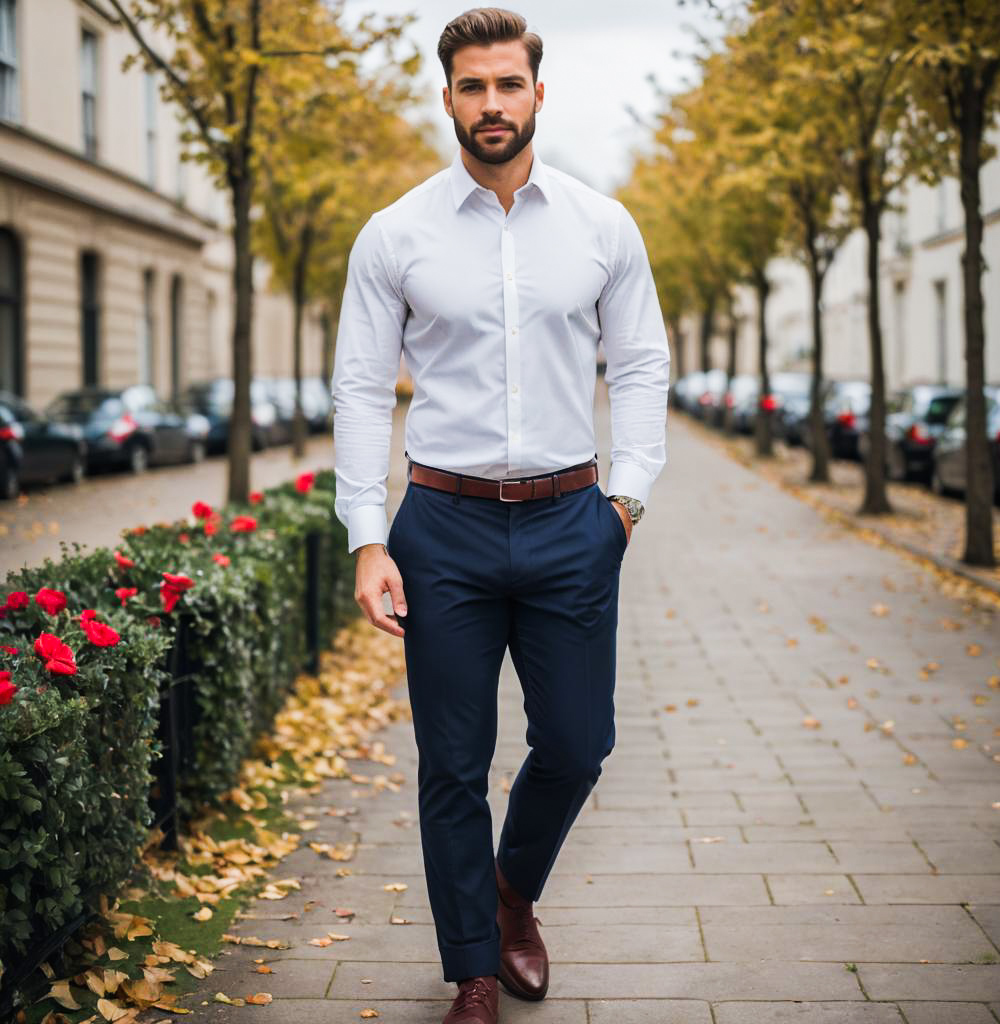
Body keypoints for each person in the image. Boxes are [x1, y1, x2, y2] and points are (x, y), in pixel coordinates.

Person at [331, 8, 669, 1022]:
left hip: (574, 520)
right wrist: (366, 536)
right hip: (443, 526)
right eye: (471, 87)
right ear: (447, 98)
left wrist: (628, 497)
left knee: (576, 742)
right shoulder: (396, 234)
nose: (490, 104)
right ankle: (472, 967)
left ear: (536, 92)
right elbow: (356, 390)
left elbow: (643, 361)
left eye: (506, 84)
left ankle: (510, 888)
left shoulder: (602, 226)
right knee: (452, 760)